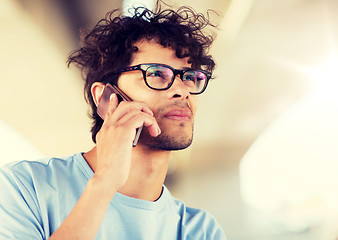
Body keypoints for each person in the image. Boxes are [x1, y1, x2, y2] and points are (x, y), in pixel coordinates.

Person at [0, 2, 226, 240]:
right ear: (106, 97)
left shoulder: (201, 231)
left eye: (190, 77)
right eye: (157, 74)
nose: (182, 90)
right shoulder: (24, 187)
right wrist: (105, 181)